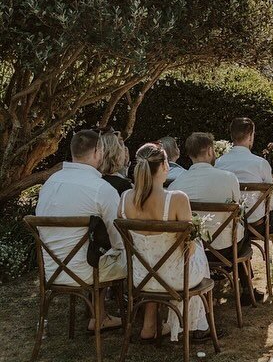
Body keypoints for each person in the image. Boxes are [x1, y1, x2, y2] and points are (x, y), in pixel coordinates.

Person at [120, 143, 214, 342]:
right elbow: (188, 250)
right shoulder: (177, 199)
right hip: (176, 279)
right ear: (164, 166)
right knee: (197, 248)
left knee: (156, 261)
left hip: (141, 278)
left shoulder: (125, 198)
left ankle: (150, 325)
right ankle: (193, 325)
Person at [36, 129, 126, 332]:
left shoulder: (50, 183)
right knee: (132, 257)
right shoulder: (100, 188)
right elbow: (120, 239)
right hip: (88, 272)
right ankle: (145, 320)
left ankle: (100, 314)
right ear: (97, 152)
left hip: (51, 270)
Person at [168, 132, 263, 297]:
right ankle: (247, 286)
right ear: (211, 151)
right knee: (241, 226)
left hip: (191, 251)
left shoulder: (176, 185)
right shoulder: (228, 178)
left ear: (189, 154)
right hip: (225, 249)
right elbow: (238, 209)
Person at [215, 118, 273, 279]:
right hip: (259, 224)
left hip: (230, 224)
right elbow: (270, 201)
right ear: (250, 136)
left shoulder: (219, 163)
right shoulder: (260, 164)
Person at [98, 127, 133, 196]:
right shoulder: (123, 186)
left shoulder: (89, 177)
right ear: (117, 152)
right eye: (123, 145)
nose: (125, 150)